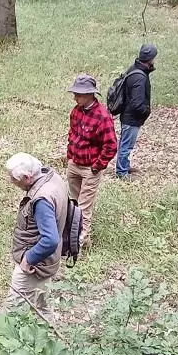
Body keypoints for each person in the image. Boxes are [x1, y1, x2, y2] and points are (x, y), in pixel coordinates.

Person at [5, 152, 70, 316]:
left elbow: (50, 240)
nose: (11, 182)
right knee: (42, 306)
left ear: (27, 177)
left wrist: (29, 259)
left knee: (13, 311)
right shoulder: (51, 177)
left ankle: (8, 340)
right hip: (49, 261)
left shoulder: (41, 200)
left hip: (36, 266)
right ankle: (50, 338)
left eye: (14, 179)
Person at [65, 74, 118, 250]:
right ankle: (74, 237)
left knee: (83, 208)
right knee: (73, 203)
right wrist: (70, 156)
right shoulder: (76, 111)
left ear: (89, 94)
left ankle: (79, 244)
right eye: (75, 93)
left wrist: (97, 166)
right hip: (74, 164)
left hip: (90, 169)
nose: (75, 97)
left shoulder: (102, 116)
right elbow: (72, 134)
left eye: (78, 94)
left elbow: (111, 145)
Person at [116, 43, 157, 180]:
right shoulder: (140, 77)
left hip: (128, 115)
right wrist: (146, 111)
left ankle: (125, 167)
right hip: (131, 118)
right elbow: (137, 103)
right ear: (150, 59)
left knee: (126, 143)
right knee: (126, 145)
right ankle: (122, 172)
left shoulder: (134, 69)